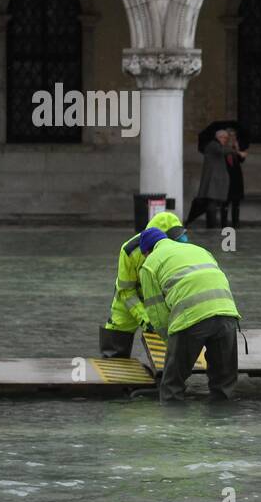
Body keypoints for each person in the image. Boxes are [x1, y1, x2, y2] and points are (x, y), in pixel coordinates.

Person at [138, 227, 240, 404]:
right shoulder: (199, 250)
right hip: (227, 313)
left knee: (172, 386)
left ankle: (175, 428)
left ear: (147, 251)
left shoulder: (150, 263)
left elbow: (157, 313)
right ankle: (224, 425)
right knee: (224, 384)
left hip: (191, 318)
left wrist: (171, 343)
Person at [100, 211, 188, 359]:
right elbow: (126, 291)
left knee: (167, 345)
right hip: (130, 300)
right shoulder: (129, 251)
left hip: (160, 298)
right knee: (116, 345)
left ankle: (165, 373)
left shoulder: (180, 245)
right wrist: (146, 320)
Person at [186, 126, 232, 228]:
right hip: (212, 181)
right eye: (225, 138)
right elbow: (224, 151)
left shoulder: (217, 145)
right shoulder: (213, 145)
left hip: (215, 181)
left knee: (212, 204)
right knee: (211, 204)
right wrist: (235, 148)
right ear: (220, 137)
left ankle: (211, 224)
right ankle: (211, 225)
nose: (226, 140)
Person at [224, 128, 247, 228]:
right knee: (225, 202)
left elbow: (242, 158)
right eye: (230, 136)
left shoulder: (236, 149)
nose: (232, 138)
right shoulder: (223, 148)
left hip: (236, 178)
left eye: (234, 136)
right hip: (226, 178)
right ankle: (224, 224)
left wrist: (237, 149)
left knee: (236, 202)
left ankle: (235, 223)